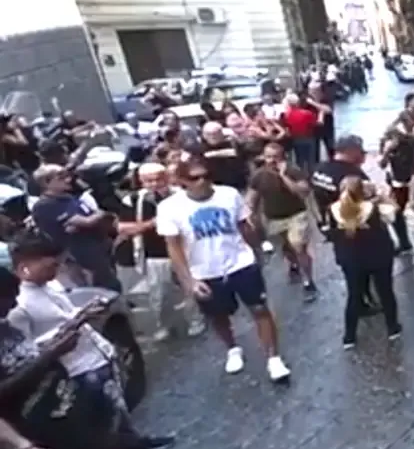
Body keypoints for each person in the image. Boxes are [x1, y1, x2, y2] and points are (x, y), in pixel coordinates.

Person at [7, 235, 176, 449]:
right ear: (26, 267)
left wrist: (84, 312)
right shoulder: (20, 307)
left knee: (116, 404)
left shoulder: (50, 288)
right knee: (102, 416)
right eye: (49, 266)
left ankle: (134, 443)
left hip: (93, 352)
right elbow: (28, 350)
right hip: (74, 365)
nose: (55, 271)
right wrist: (68, 329)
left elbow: (67, 312)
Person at [158, 158, 291, 383]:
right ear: (182, 181)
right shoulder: (169, 208)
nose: (203, 182)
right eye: (195, 178)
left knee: (260, 309)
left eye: (206, 176)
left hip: (240, 262)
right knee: (218, 315)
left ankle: (273, 358)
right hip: (205, 271)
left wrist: (257, 253)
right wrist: (188, 281)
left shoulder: (228, 194)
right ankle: (232, 348)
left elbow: (243, 226)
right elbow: (174, 247)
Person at [117, 163, 205, 340]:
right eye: (149, 181)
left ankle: (197, 320)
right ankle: (164, 324)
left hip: (184, 250)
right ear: (141, 181)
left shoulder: (181, 196)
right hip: (156, 254)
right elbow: (124, 228)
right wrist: (153, 223)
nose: (155, 184)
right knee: (159, 294)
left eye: (159, 179)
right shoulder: (134, 200)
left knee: (191, 288)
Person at [330, 176, 401, 348]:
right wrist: (382, 195)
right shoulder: (373, 208)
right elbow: (394, 212)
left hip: (351, 258)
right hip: (378, 256)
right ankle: (392, 328)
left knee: (354, 295)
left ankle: (349, 336)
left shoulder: (334, 209)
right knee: (385, 292)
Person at [29, 165, 121, 292]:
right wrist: (97, 216)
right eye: (61, 177)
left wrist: (97, 216)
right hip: (78, 257)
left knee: (111, 285)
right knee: (98, 291)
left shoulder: (69, 198)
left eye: (67, 176)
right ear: (46, 182)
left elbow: (93, 215)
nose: (67, 180)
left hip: (98, 249)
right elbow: (86, 221)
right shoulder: (45, 205)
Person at [247, 142, 317, 301]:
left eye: (275, 157)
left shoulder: (293, 171)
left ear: (282, 157)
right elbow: (252, 197)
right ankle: (293, 265)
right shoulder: (259, 175)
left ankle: (308, 281)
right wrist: (250, 214)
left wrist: (284, 176)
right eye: (268, 157)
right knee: (286, 248)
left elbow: (303, 192)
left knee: (298, 245)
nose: (271, 161)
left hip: (296, 215)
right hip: (273, 218)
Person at [310, 135, 370, 237]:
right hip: (348, 225)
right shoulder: (352, 173)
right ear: (352, 151)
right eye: (359, 151)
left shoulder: (319, 168)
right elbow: (367, 197)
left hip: (326, 222)